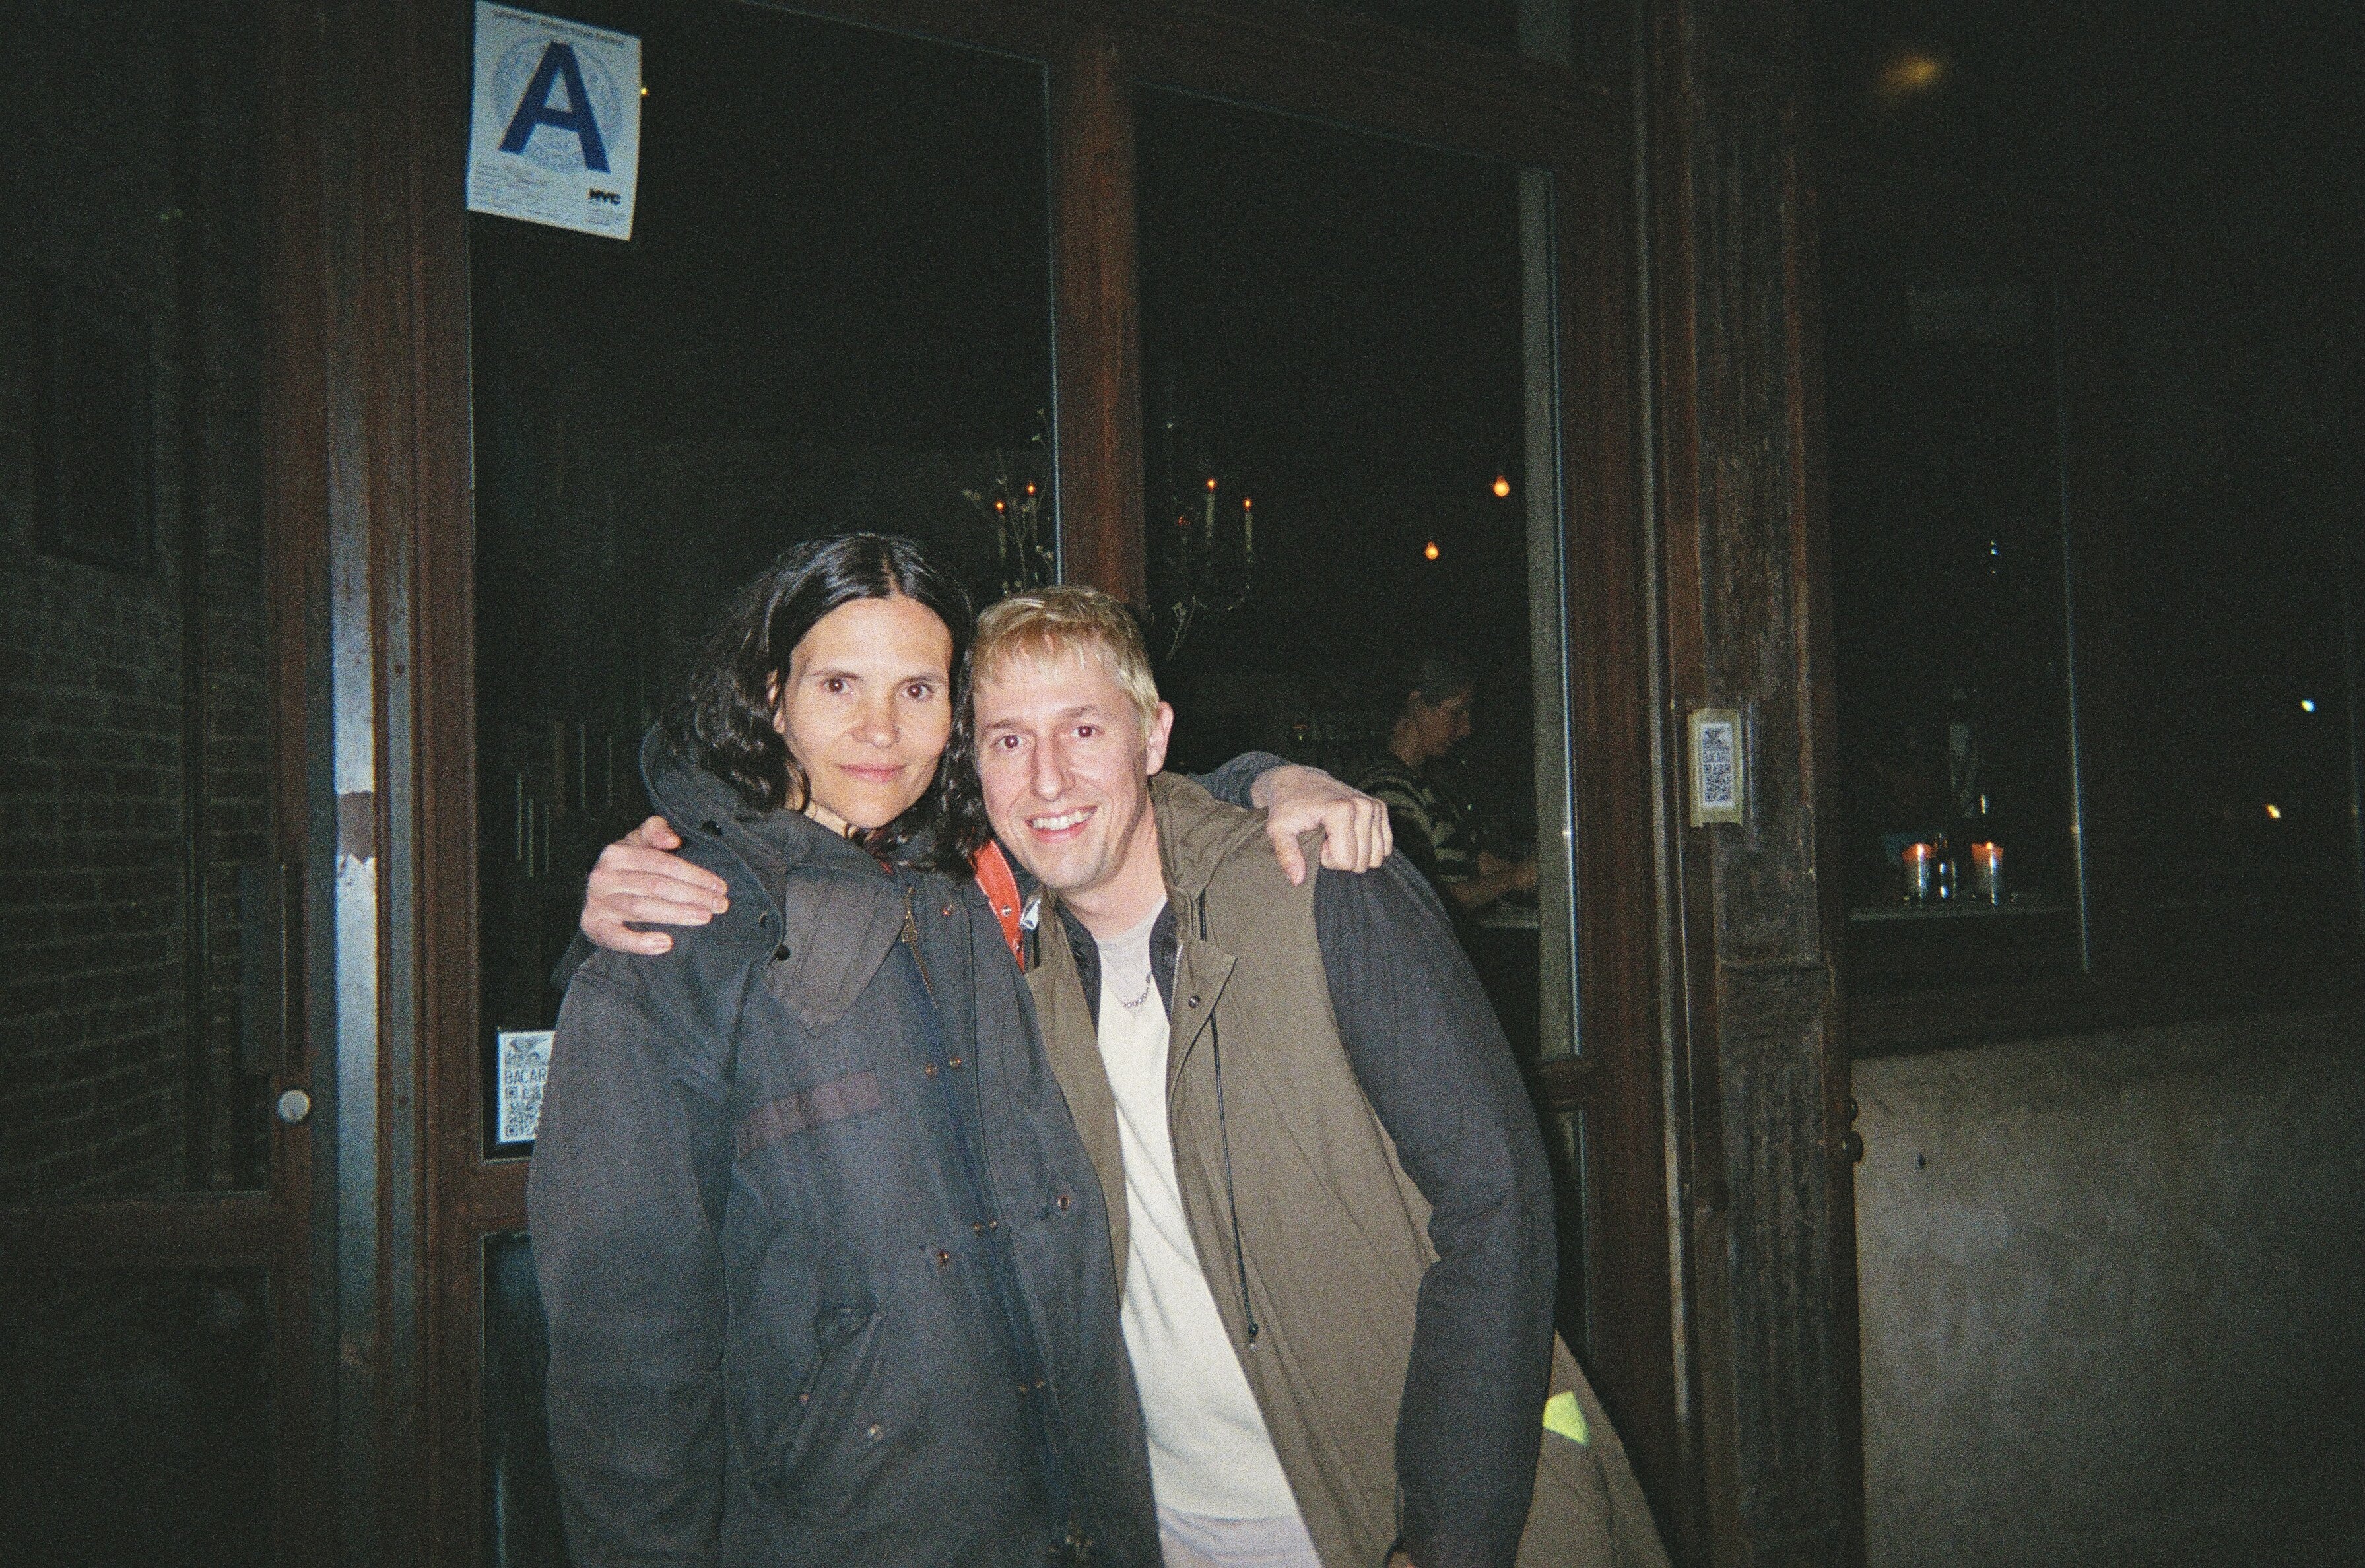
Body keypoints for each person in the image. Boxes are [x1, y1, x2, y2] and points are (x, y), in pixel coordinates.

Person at [530, 537, 1384, 1568]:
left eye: (919, 690)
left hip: (1085, 1513)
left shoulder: (978, 882)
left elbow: (1116, 788)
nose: (879, 730)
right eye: (838, 682)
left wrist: (1270, 776)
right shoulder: (670, 948)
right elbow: (625, 1362)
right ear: (772, 697)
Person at [964, 589, 1667, 1568]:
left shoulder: (1319, 885)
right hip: (1159, 1531)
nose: (1045, 778)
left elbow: (1493, 1203)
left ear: (1153, 735)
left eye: (1083, 728)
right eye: (1005, 740)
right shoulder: (1000, 959)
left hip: (1374, 1513)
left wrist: (1445, 1537)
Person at [1352, 650, 1536, 921]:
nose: (1466, 728)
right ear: (1417, 704)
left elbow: (1475, 862)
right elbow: (1419, 900)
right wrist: (1516, 878)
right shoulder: (1389, 788)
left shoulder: (1432, 787)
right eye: (1457, 712)